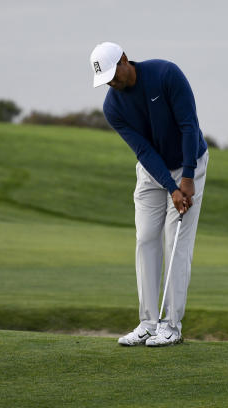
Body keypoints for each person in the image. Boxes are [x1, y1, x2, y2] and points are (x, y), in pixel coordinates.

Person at [90, 41, 209, 347]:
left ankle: (172, 325)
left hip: (188, 161)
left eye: (114, 77)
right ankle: (148, 322)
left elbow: (188, 126)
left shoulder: (165, 74)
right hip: (151, 171)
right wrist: (170, 188)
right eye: (106, 82)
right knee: (145, 239)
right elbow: (143, 149)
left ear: (125, 60)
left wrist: (186, 177)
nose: (112, 85)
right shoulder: (112, 107)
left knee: (176, 242)